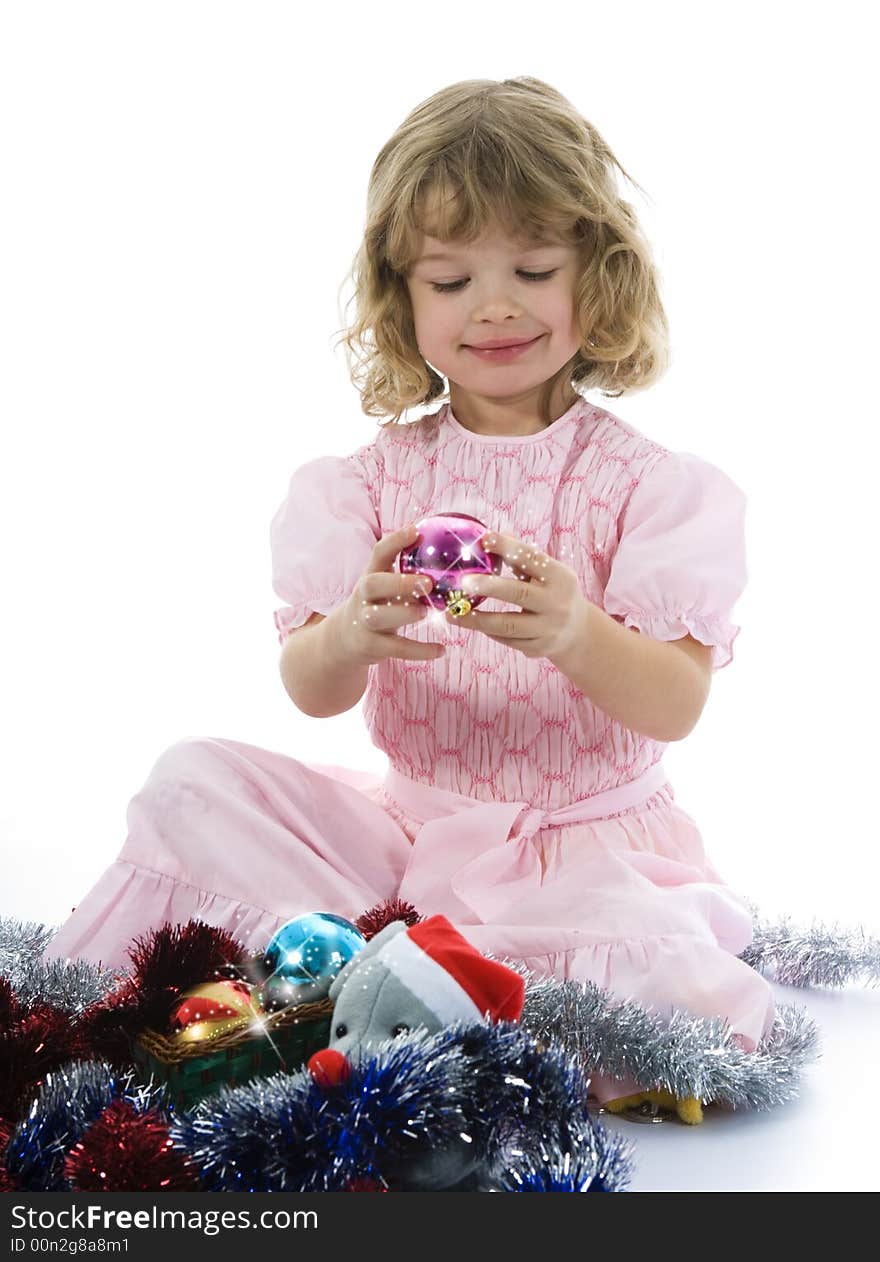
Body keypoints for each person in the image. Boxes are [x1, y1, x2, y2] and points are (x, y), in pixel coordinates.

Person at [42, 76, 775, 1112]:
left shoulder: (651, 487)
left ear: (596, 276)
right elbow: (311, 691)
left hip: (581, 854)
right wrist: (348, 632)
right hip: (409, 833)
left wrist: (575, 631)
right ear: (401, 296)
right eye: (450, 279)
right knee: (191, 778)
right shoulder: (366, 482)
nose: (495, 305)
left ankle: (406, 990)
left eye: (532, 267)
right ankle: (389, 977)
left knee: (643, 949)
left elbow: (674, 703)